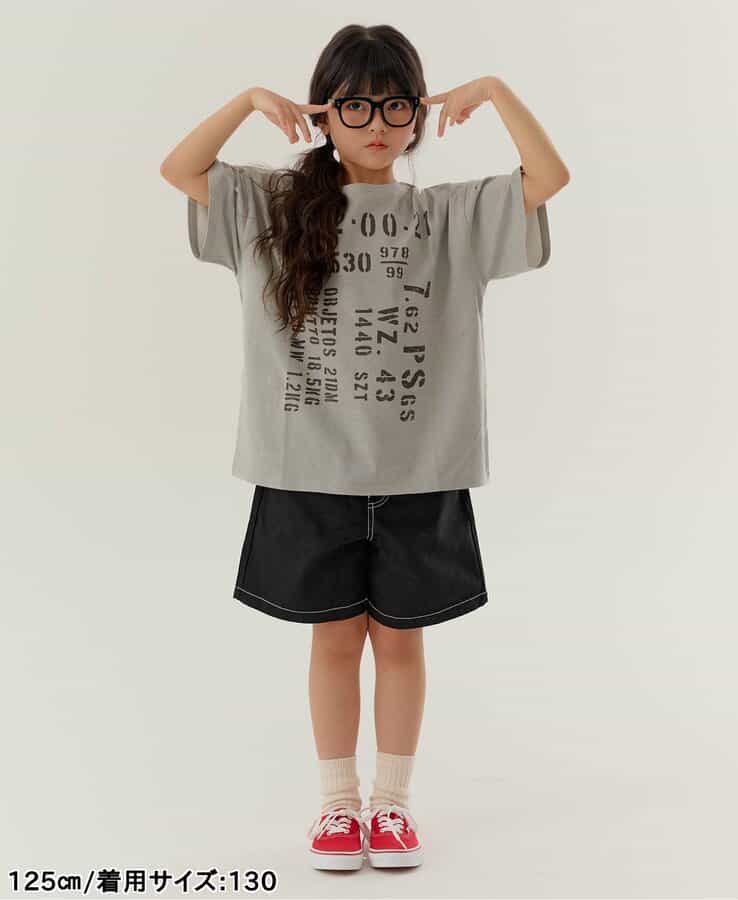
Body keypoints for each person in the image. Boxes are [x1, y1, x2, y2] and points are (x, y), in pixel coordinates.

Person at [160, 22, 568, 872]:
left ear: (417, 114)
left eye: (393, 105)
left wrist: (493, 91)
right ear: (325, 113)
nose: (376, 124)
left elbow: (548, 179)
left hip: (421, 469)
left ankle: (394, 806)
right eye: (354, 106)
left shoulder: (445, 215)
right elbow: (182, 170)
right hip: (307, 467)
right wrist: (247, 101)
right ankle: (338, 806)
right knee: (335, 640)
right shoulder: (276, 206)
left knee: (402, 641)